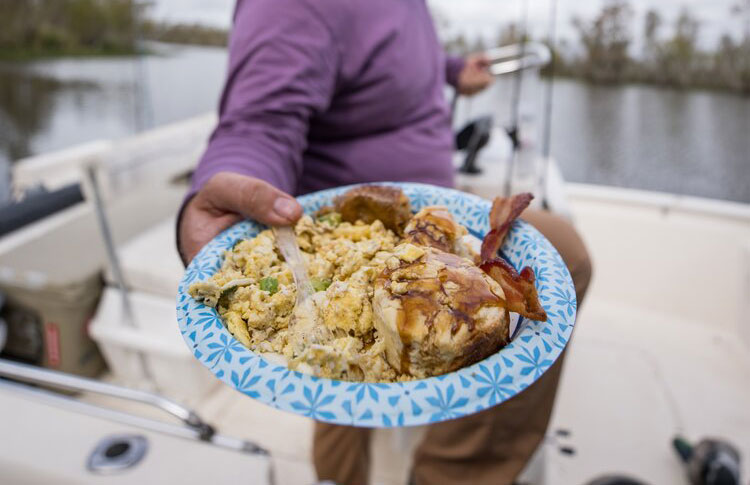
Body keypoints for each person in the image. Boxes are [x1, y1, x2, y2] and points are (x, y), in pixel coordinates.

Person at [177, 0, 592, 483]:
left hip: (437, 217)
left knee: (561, 256)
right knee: (344, 348)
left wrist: (454, 70)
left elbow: (388, 61)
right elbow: (260, 121)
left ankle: (441, 471)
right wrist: (236, 186)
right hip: (356, 230)